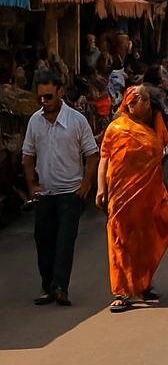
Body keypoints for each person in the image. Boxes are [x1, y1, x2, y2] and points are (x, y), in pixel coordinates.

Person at [22, 70, 99, 306]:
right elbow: (27, 157)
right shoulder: (35, 121)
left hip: (70, 193)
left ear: (60, 92)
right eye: (41, 98)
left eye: (48, 97)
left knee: (65, 240)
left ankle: (59, 287)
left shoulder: (77, 121)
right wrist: (31, 185)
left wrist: (86, 184)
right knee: (43, 240)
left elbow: (92, 155)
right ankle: (47, 286)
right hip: (45, 193)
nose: (44, 102)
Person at [96, 84, 168, 312]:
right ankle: (121, 290)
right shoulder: (116, 128)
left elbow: (166, 157)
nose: (131, 100)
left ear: (148, 103)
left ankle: (142, 284)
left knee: (147, 239)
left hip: (150, 195)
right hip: (120, 195)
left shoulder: (156, 128)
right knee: (120, 240)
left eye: (138, 97)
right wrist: (101, 189)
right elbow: (104, 159)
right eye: (130, 96)